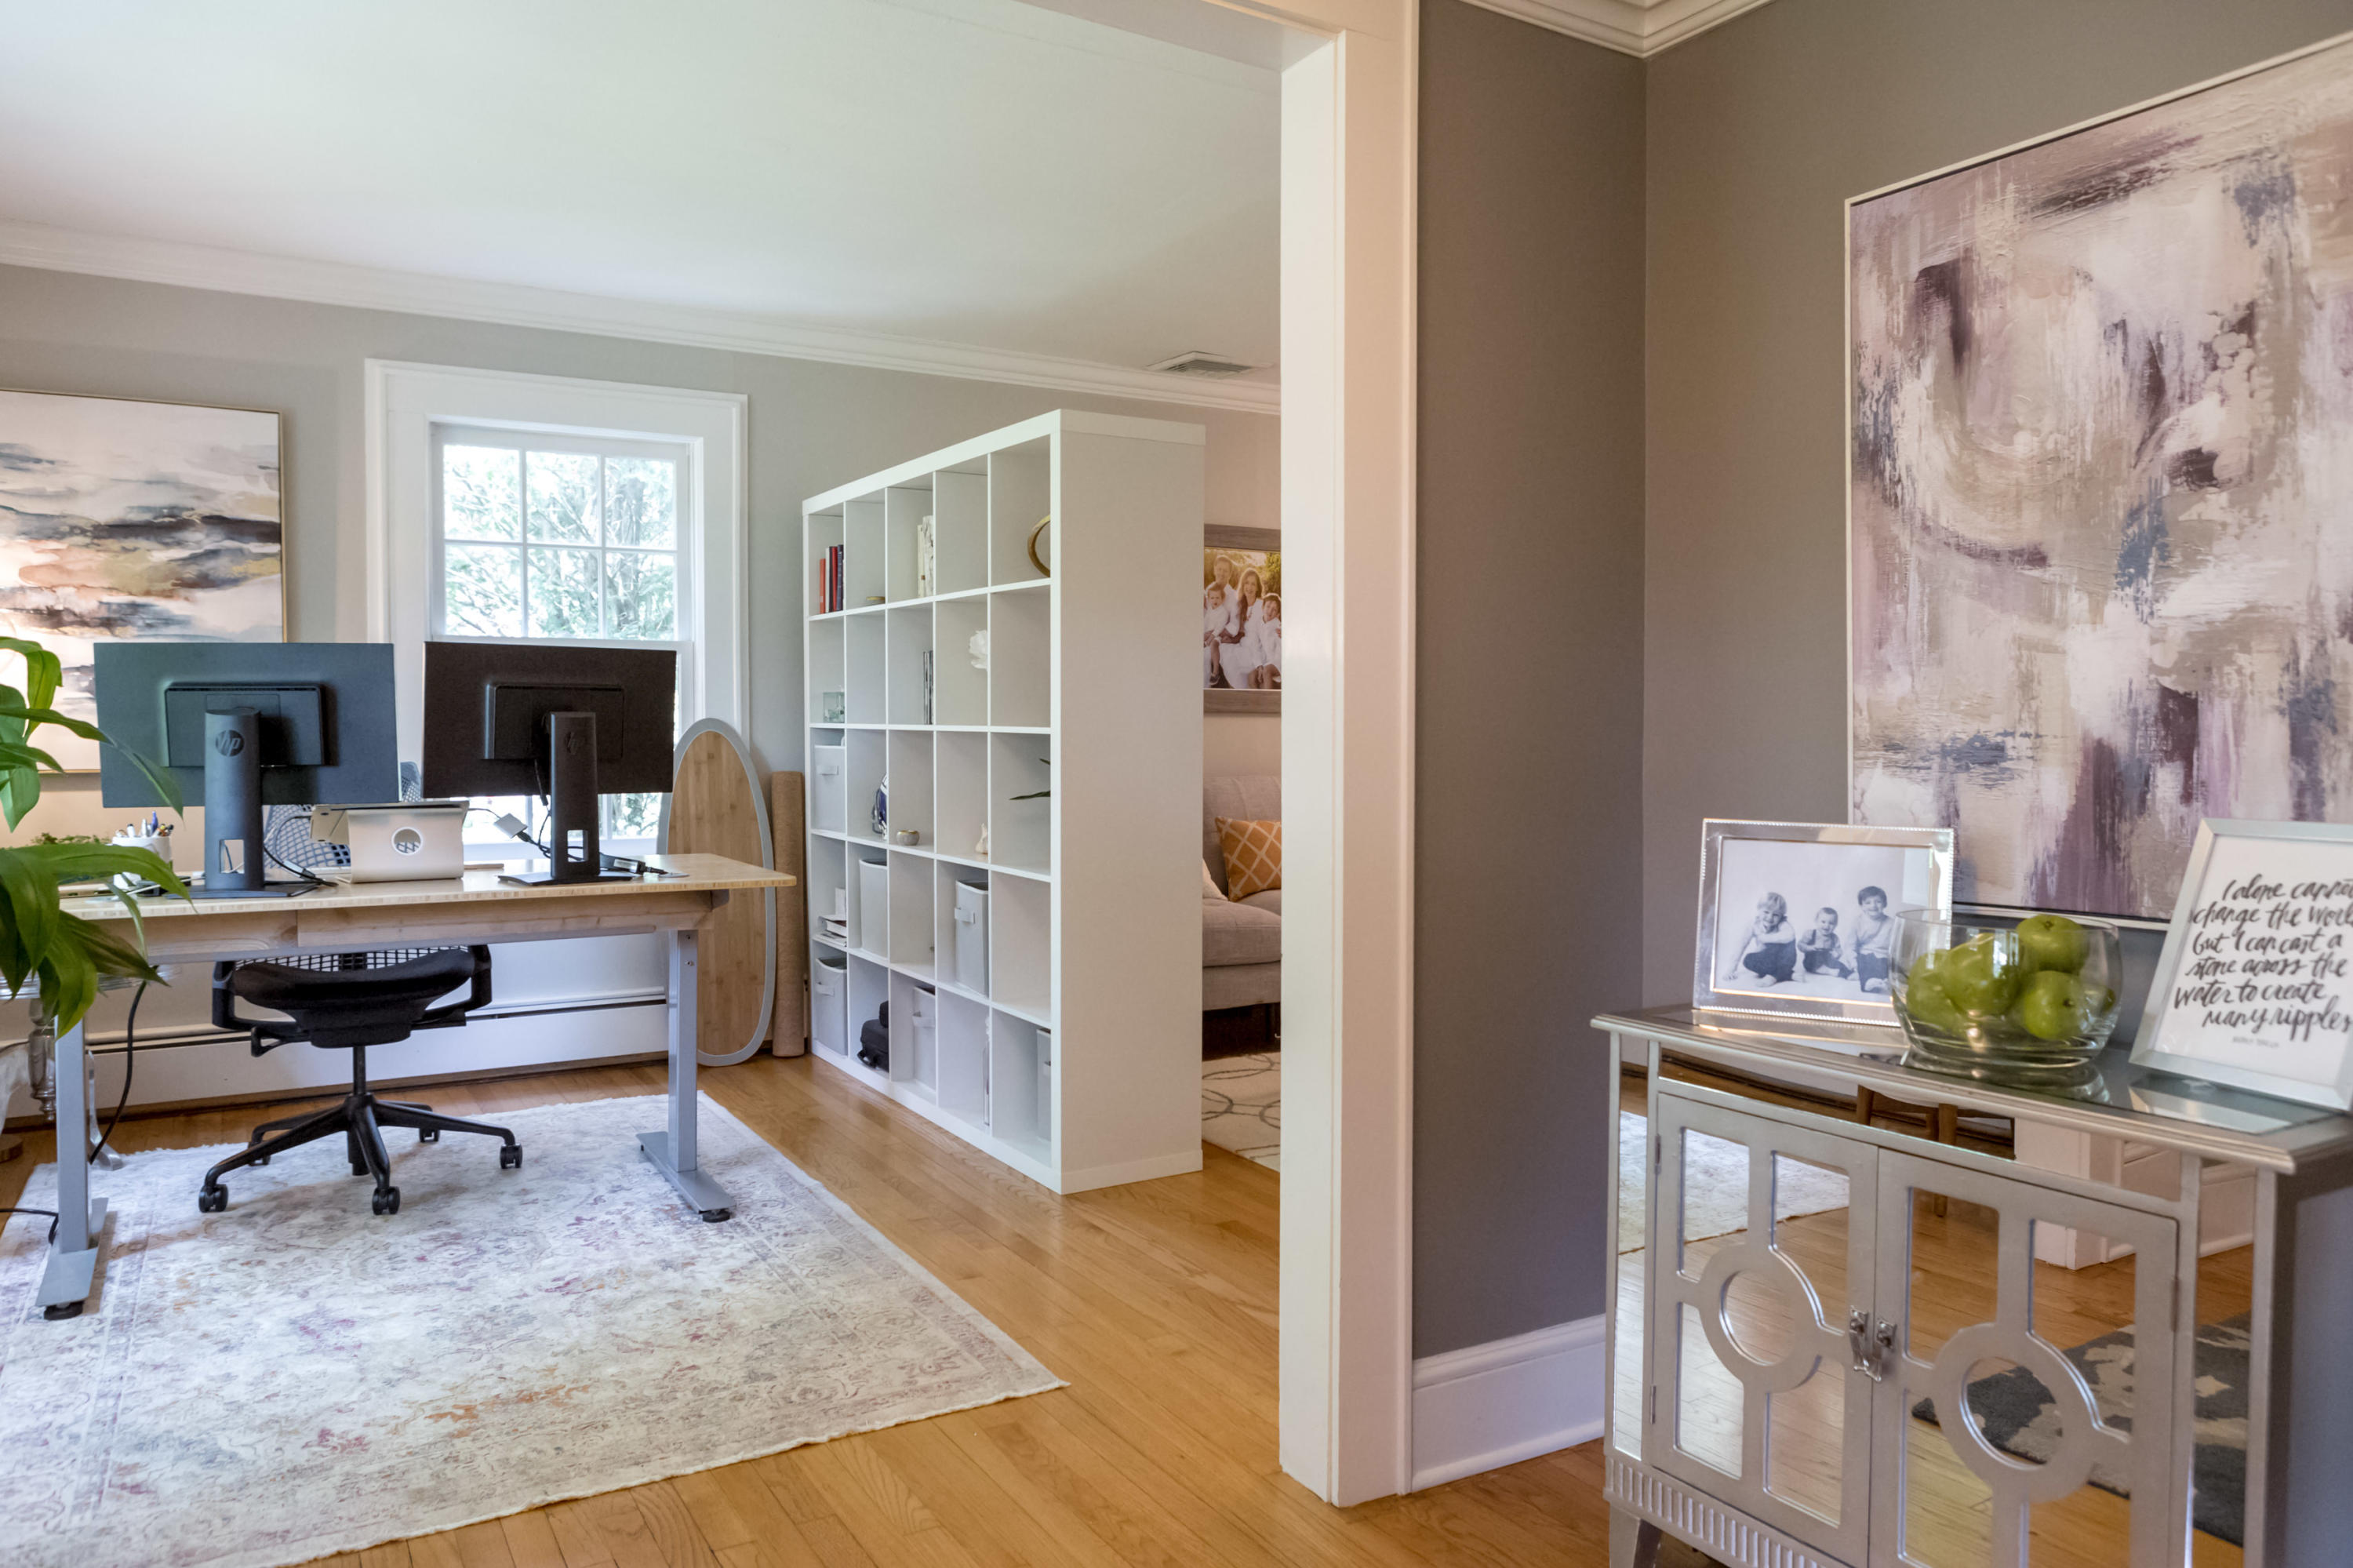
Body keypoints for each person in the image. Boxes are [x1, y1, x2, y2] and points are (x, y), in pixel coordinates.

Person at [1725, 892, 1797, 986]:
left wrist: (1765, 938)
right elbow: (1741, 945)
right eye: (1766, 912)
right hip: (1769, 959)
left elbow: (1790, 935)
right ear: (1759, 910)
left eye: (1776, 915)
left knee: (1789, 942)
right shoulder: (1753, 925)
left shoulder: (1783, 924)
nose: (1770, 917)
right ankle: (1788, 974)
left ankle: (1773, 977)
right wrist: (1731, 969)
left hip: (1784, 958)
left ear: (1781, 916)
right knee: (1748, 960)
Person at [1219, 569, 1271, 689]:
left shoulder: (1262, 605)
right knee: (1225, 651)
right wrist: (1230, 640)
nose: (1249, 587)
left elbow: (1267, 630)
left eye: (1253, 584)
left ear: (1258, 587)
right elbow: (1240, 632)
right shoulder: (1240, 605)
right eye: (1247, 583)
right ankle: (1237, 697)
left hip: (1258, 647)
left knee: (1234, 660)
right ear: (1243, 585)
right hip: (1245, 644)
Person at [1203, 555, 1240, 686]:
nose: (1221, 573)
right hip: (1206, 634)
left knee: (1206, 657)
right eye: (1219, 569)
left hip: (1223, 638)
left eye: (1225, 571)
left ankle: (1211, 682)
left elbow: (1234, 625)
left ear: (1230, 574)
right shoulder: (1208, 590)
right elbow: (1206, 615)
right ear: (1214, 570)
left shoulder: (1234, 596)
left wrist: (1214, 634)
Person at [1851, 885, 1896, 993]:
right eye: (1868, 903)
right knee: (1866, 962)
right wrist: (1853, 964)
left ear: (1885, 904)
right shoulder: (1858, 922)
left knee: (1884, 963)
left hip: (1884, 958)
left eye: (1878, 902)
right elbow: (1850, 946)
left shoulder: (1891, 923)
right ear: (1861, 906)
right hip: (1865, 956)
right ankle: (1869, 983)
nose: (1873, 906)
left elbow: (1896, 947)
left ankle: (1884, 981)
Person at [1798, 907, 1854, 980]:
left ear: (1836, 925)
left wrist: (1837, 953)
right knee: (1813, 958)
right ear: (1816, 921)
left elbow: (1839, 949)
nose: (1827, 926)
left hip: (1828, 959)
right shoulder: (1810, 934)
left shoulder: (1834, 938)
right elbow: (1800, 945)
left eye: (1831, 923)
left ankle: (1849, 974)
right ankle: (1828, 971)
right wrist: (1810, 948)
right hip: (1813, 958)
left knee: (1839, 964)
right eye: (1823, 922)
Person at [1247, 593, 1282, 689]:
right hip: (1267, 661)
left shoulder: (1278, 627)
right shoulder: (1258, 623)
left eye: (1274, 609)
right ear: (1263, 607)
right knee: (1251, 676)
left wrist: (1267, 667)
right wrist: (1259, 666)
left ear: (1278, 614)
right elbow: (1256, 647)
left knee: (1267, 671)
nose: (1270, 611)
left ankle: (1267, 701)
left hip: (1279, 661)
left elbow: (1280, 651)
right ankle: (1257, 701)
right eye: (1268, 606)